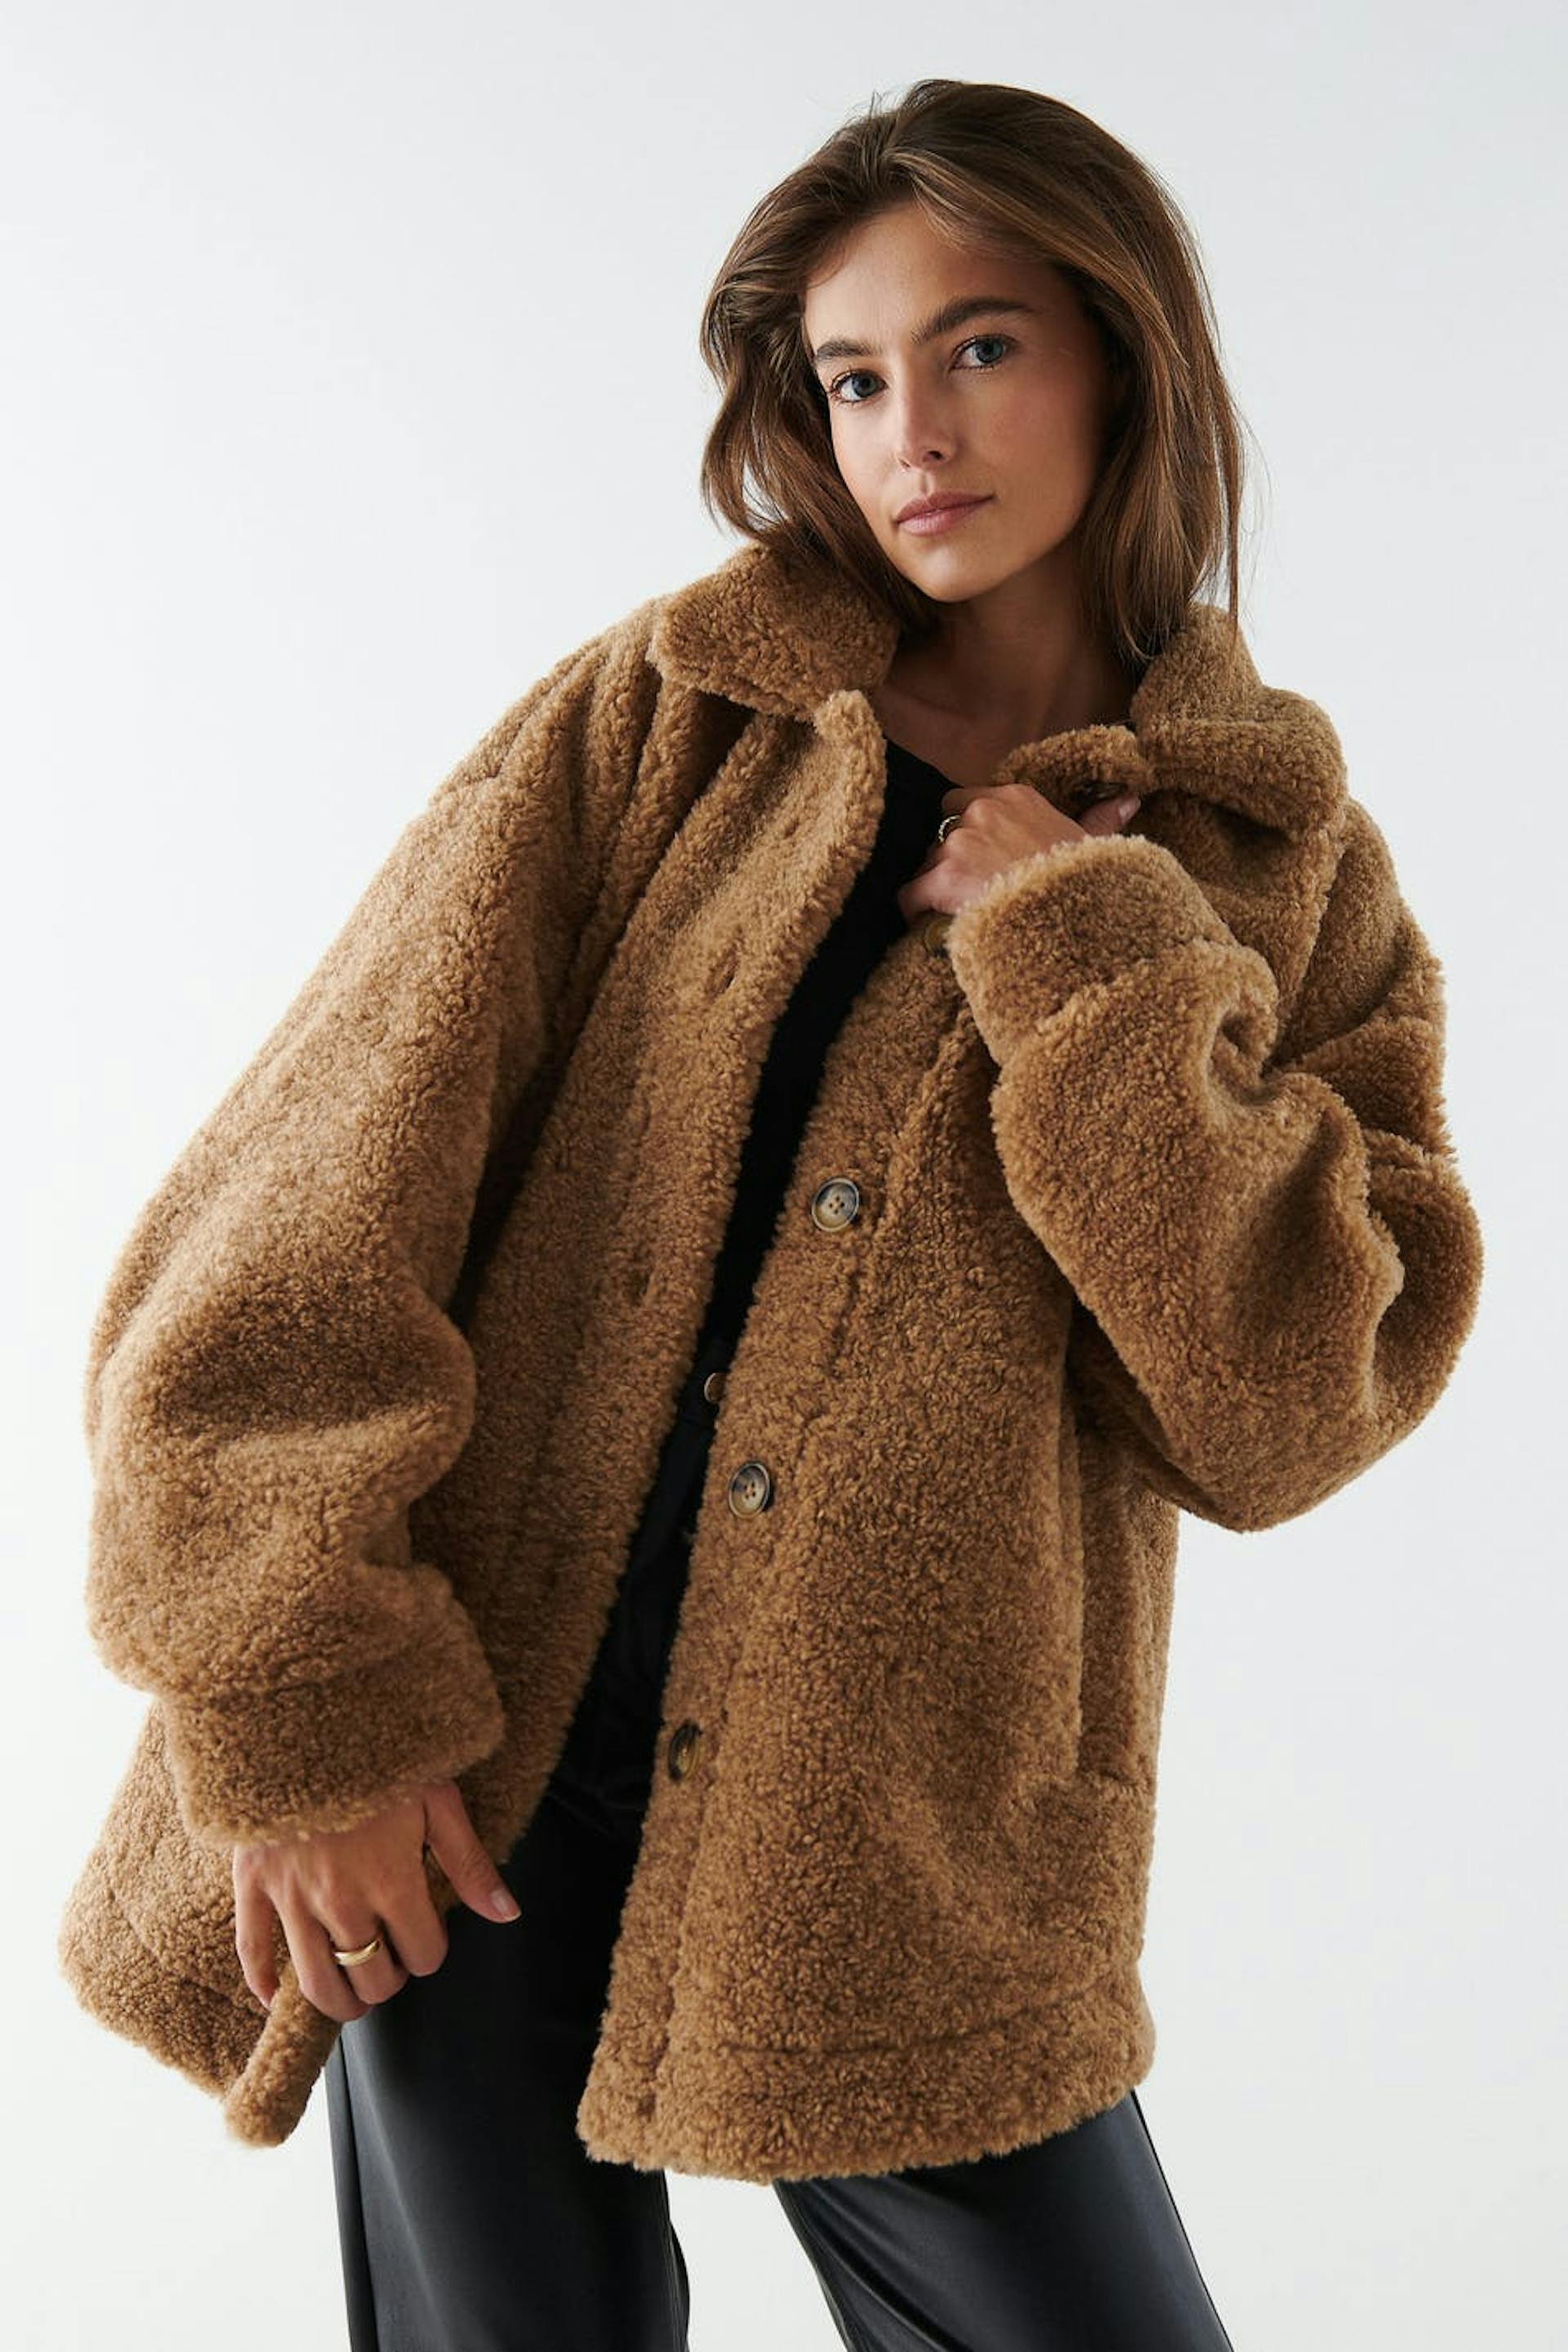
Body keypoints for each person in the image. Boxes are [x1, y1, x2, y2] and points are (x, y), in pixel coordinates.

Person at [58, 78, 1484, 2352]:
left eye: (981, 346)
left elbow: (1291, 1402)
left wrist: (1087, 962)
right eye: (855, 377)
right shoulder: (676, 717)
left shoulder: (1272, 864)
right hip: (466, 1756)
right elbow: (290, 1223)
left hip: (904, 1837)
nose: (917, 431)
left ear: (1125, 358)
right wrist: (313, 1707)